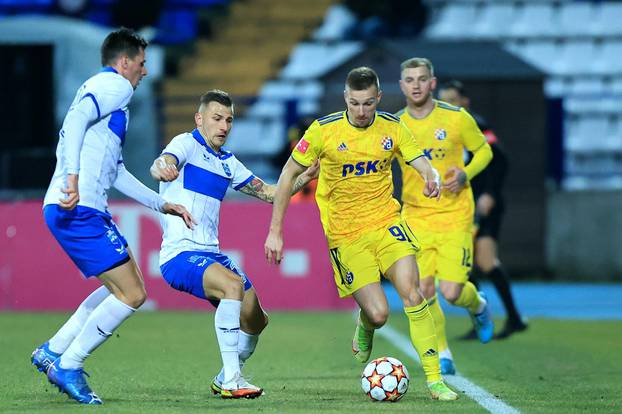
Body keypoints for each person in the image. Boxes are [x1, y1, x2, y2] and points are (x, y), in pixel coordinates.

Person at [264, 67, 458, 401]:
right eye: (355, 103)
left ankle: (435, 379)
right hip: (346, 235)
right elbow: (287, 175)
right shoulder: (323, 131)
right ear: (345, 99)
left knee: (413, 294)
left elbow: (419, 159)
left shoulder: (392, 127)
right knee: (380, 313)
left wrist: (431, 177)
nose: (362, 111)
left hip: (386, 223)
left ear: (378, 98)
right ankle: (366, 324)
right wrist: (275, 231)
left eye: (368, 103)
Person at [30, 28, 194, 405]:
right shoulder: (115, 86)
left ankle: (55, 350)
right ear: (124, 63)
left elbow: (116, 169)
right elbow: (71, 125)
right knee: (132, 293)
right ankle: (69, 364)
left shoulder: (109, 98)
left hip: (78, 206)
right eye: (141, 63)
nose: (145, 71)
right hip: (78, 206)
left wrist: (160, 203)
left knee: (120, 288)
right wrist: (71, 177)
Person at [150, 90, 319, 399]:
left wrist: (304, 177)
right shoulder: (185, 144)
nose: (224, 126)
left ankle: (225, 375)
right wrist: (161, 166)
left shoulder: (228, 163)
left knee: (256, 320)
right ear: (199, 119)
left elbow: (269, 193)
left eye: (229, 120)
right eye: (216, 119)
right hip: (180, 255)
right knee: (232, 286)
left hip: (212, 255)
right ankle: (232, 380)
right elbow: (163, 161)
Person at [395, 58, 494, 376]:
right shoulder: (394, 125)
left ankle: (477, 305)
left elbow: (485, 151)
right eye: (410, 79)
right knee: (423, 289)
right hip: (416, 218)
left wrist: (465, 175)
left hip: (454, 216)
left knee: (452, 292)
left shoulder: (456, 117)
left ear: (432, 83)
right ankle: (443, 353)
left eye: (422, 79)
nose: (416, 85)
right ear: (401, 85)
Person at [438, 80, 527, 340]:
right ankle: (483, 321)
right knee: (464, 269)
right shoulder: (442, 128)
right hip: (463, 205)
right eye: (444, 100)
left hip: (486, 204)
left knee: (486, 262)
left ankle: (513, 317)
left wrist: (490, 193)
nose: (448, 105)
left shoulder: (476, 123)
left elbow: (499, 159)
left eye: (453, 100)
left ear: (465, 102)